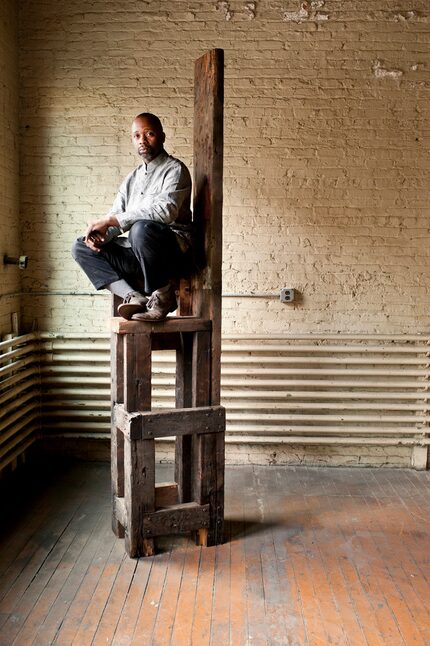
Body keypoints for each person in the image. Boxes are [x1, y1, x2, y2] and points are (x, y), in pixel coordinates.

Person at [71, 113, 193, 321]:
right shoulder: (132, 178)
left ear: (162, 137)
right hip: (139, 253)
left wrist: (112, 221)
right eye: (137, 136)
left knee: (141, 229)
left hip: (171, 254)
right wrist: (101, 236)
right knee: (80, 245)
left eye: (149, 134)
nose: (142, 141)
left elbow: (166, 211)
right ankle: (134, 297)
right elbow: (117, 217)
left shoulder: (175, 170)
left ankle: (163, 297)